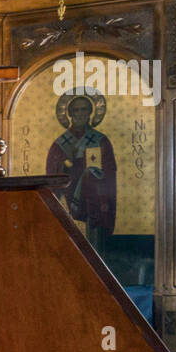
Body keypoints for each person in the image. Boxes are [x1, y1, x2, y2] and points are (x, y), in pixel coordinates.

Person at [46, 93, 117, 252]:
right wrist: (67, 163)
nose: (80, 113)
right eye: (76, 110)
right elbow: (52, 176)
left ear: (90, 113)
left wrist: (94, 177)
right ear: (70, 114)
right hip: (69, 201)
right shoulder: (60, 144)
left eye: (84, 109)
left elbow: (110, 172)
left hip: (95, 203)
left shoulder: (101, 140)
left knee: (95, 249)